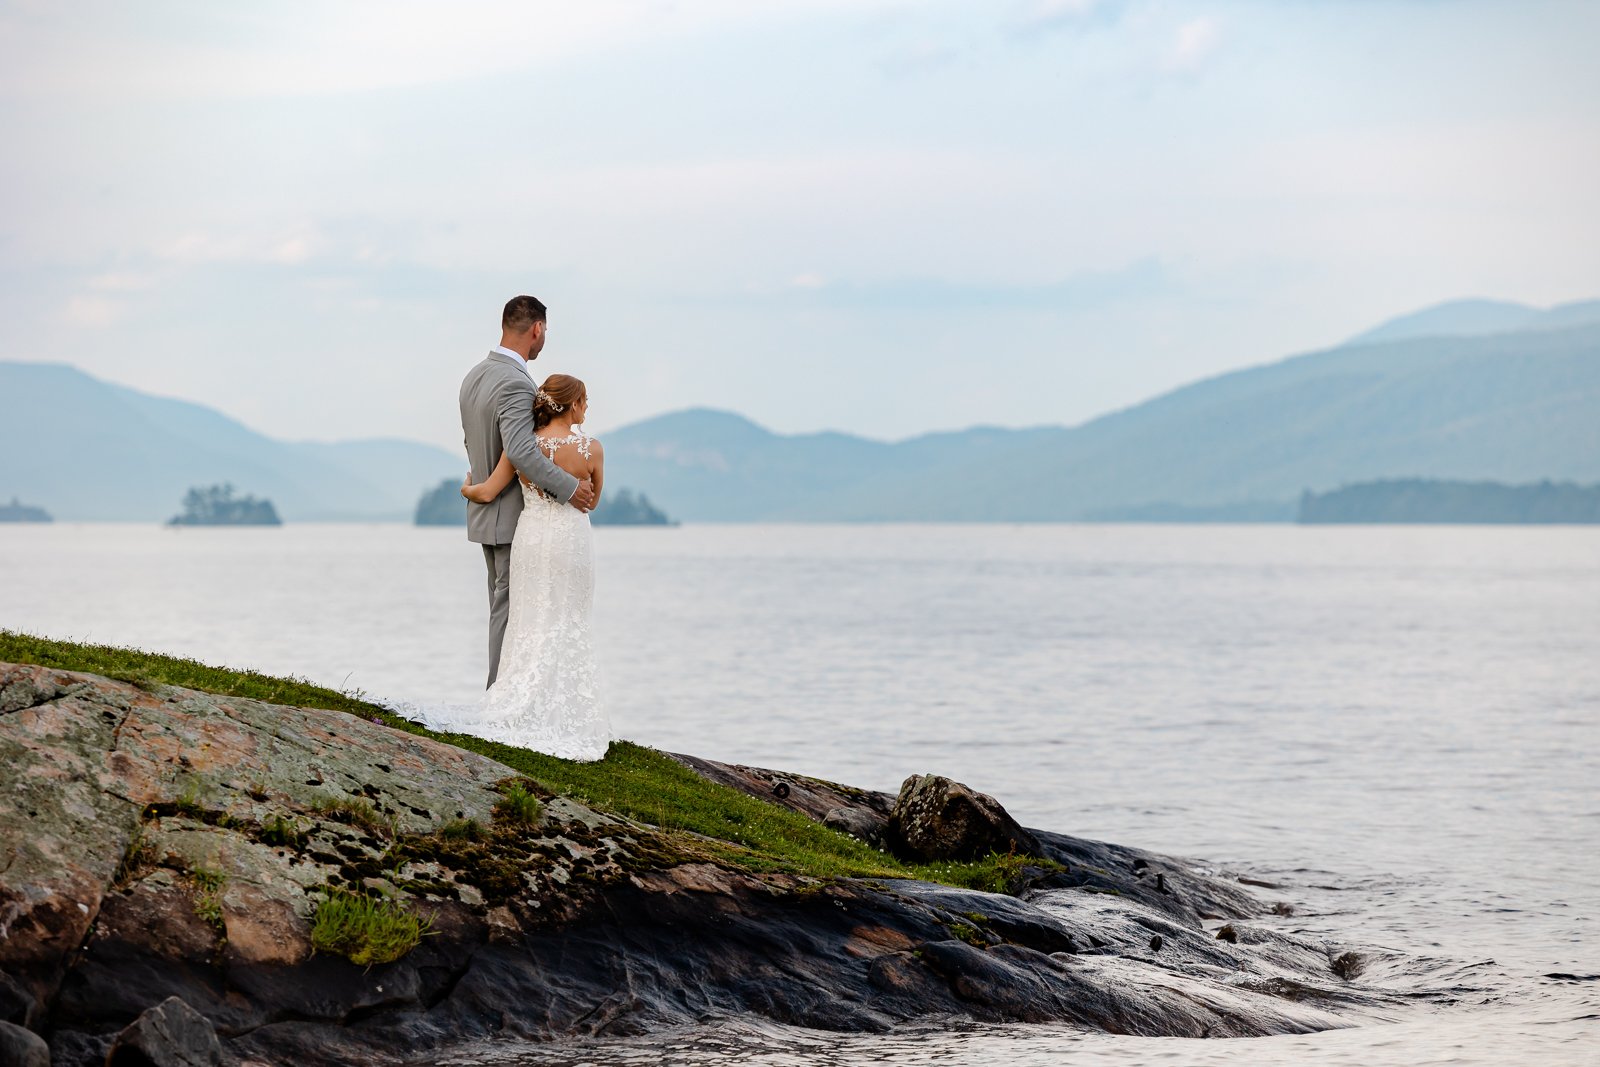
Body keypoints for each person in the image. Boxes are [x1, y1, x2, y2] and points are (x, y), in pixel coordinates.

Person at [438, 371, 612, 761]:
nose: (587, 408)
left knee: (529, 617)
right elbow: (592, 502)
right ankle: (565, 711)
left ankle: (517, 698)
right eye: (584, 400)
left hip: (531, 539)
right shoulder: (592, 449)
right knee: (570, 617)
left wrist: (465, 488)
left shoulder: (521, 448)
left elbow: (486, 492)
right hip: (571, 542)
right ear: (570, 404)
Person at [459, 296, 597, 687]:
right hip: (511, 516)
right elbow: (520, 449)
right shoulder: (516, 383)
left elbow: (474, 441)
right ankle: (499, 699)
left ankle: (504, 696)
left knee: (503, 606)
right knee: (510, 609)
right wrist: (571, 489)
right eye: (545, 332)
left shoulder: (475, 375)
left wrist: (482, 486)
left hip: (488, 512)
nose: (544, 340)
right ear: (536, 328)